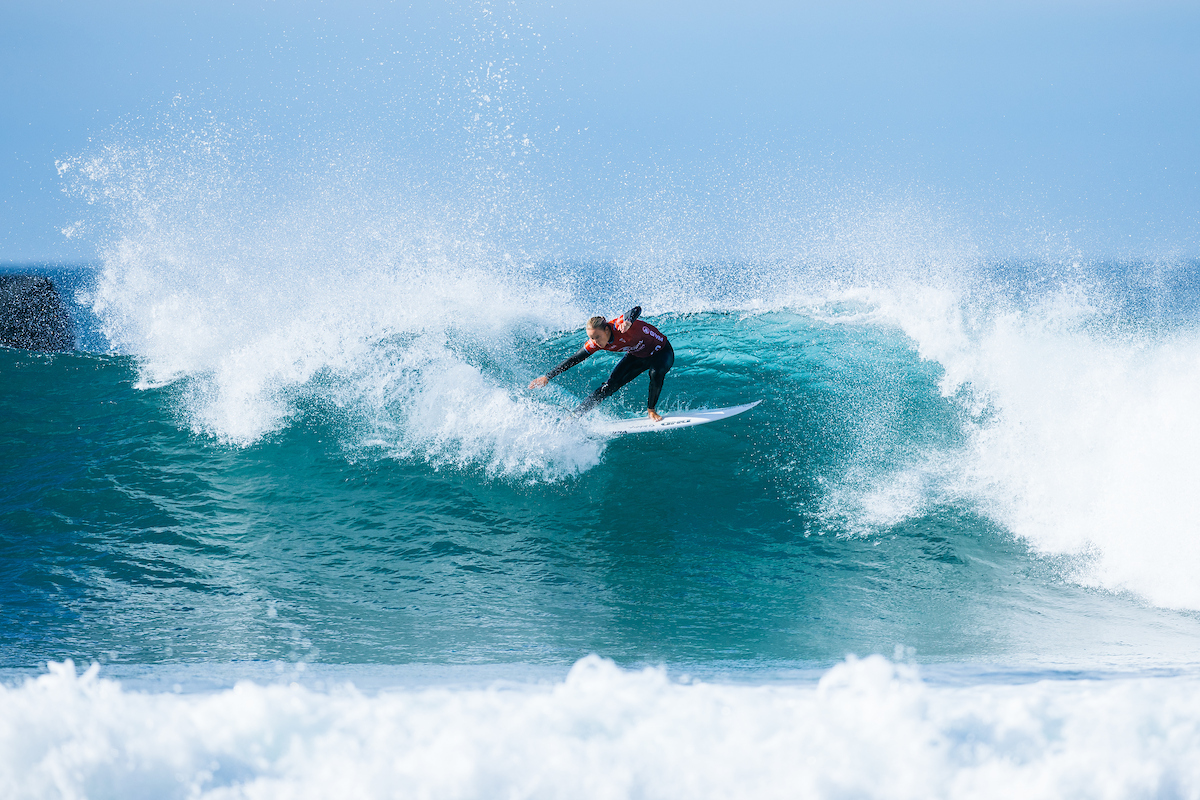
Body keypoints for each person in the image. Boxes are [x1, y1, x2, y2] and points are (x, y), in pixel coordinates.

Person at [528, 306, 674, 421]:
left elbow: (636, 309)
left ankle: (651, 410)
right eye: (592, 338)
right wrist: (547, 377)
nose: (596, 342)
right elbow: (574, 359)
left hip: (661, 351)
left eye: (597, 337)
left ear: (606, 329)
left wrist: (629, 321)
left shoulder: (619, 326)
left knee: (655, 372)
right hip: (638, 355)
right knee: (608, 387)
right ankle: (575, 416)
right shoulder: (596, 343)